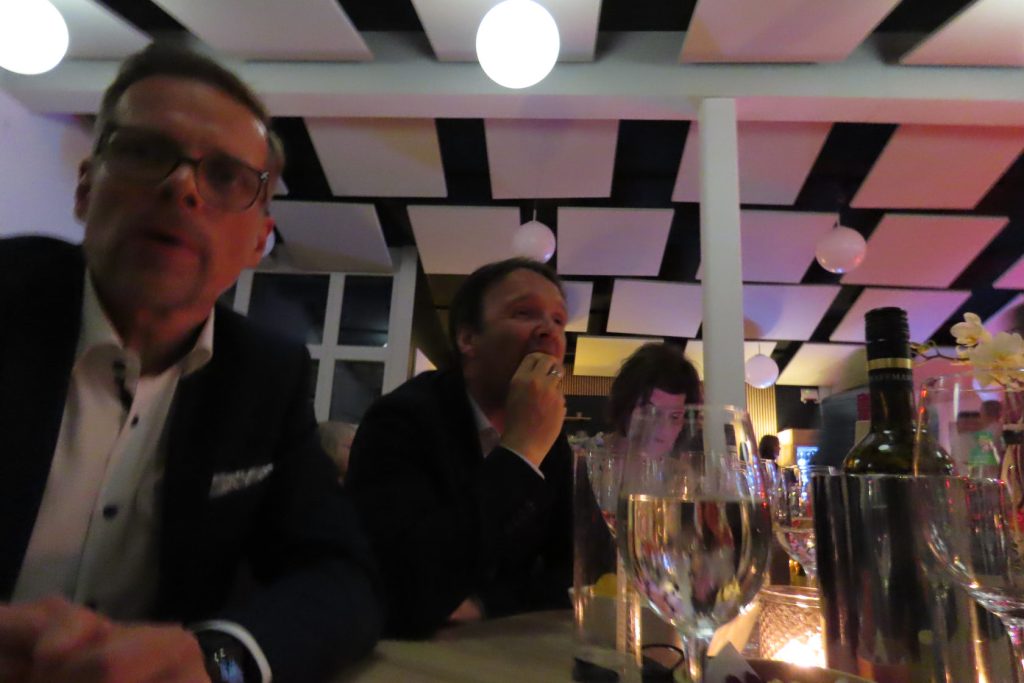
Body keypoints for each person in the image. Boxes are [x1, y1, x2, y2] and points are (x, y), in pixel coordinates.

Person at [0, 43, 381, 683]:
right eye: (145, 152)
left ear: (260, 241)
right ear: (86, 189)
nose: (181, 186)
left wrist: (219, 660)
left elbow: (342, 578)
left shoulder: (265, 376)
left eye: (227, 176)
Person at [345, 257, 572, 637]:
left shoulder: (551, 438)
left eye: (559, 320)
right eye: (524, 312)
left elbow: (580, 572)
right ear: (468, 339)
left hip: (503, 646)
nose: (549, 331)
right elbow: (400, 591)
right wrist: (521, 451)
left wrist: (487, 603)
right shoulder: (401, 420)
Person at [605, 342, 702, 452]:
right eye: (649, 412)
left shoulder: (691, 463)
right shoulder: (590, 457)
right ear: (624, 405)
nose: (663, 428)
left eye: (675, 417)